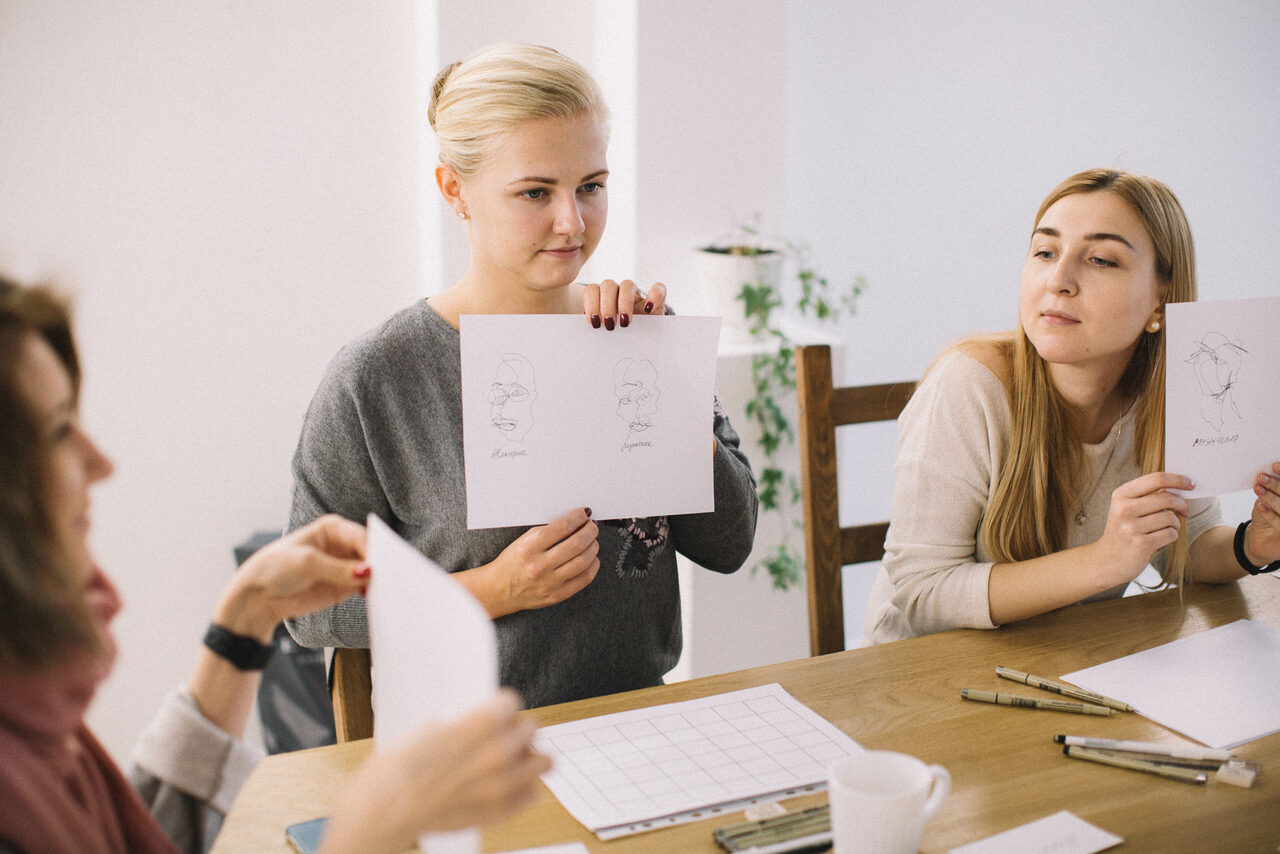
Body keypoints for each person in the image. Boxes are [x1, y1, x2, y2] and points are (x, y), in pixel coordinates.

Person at [0, 277, 549, 854]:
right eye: (58, 431)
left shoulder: (37, 719)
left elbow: (138, 837)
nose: (99, 463)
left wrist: (244, 618)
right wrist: (364, 834)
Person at [286, 43, 758, 706]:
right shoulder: (378, 379)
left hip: (641, 723)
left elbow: (731, 544)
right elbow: (308, 606)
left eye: (591, 187)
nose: (572, 222)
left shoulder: (641, 337)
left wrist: (665, 385)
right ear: (456, 189)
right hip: (465, 754)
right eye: (535, 192)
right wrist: (498, 589)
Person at [865, 168, 1280, 644]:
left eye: (1101, 260)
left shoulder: (1168, 397)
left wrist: (1254, 543)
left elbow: (1185, 546)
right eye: (1045, 252)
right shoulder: (968, 386)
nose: (1058, 280)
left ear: (1160, 302)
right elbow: (921, 596)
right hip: (924, 674)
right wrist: (1104, 561)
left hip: (1071, 661)